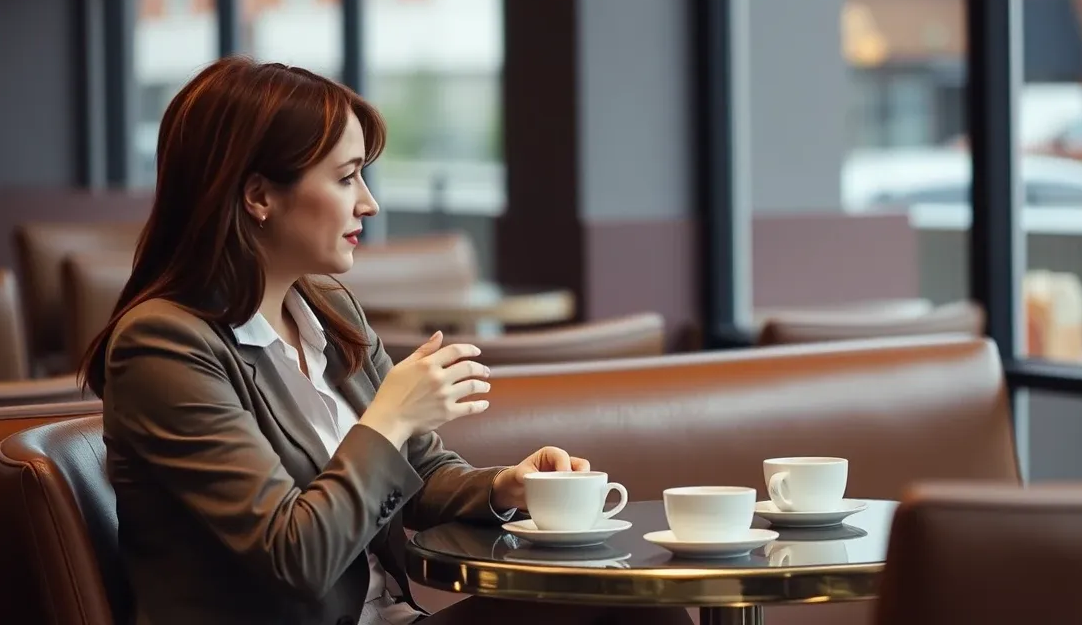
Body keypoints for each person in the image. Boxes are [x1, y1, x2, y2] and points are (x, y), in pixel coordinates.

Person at [80, 56, 692, 625]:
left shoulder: (326, 310)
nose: (369, 203)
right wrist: (388, 419)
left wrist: (506, 486)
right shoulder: (163, 346)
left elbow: (419, 474)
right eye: (347, 178)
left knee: (631, 602)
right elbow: (294, 559)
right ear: (259, 195)